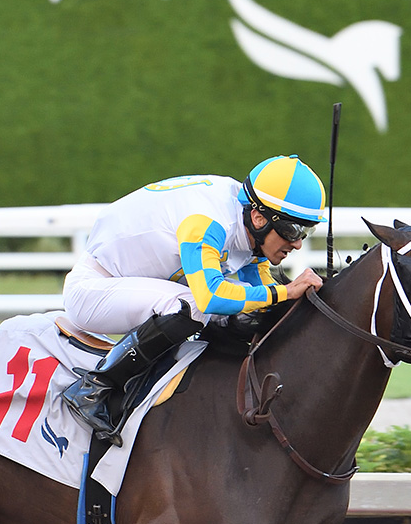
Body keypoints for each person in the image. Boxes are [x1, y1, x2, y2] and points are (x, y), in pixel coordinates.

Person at [61, 155, 327, 443]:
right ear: (259, 217)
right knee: (192, 306)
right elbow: (210, 296)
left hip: (129, 285)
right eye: (293, 230)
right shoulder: (208, 222)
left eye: (306, 231)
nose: (298, 243)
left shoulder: (248, 220)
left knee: (245, 312)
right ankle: (95, 387)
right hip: (93, 290)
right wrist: (286, 291)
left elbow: (261, 293)